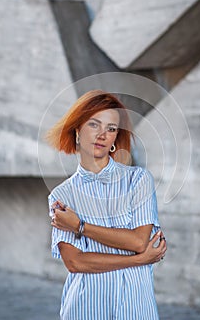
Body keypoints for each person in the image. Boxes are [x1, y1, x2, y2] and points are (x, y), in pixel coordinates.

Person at [47, 90, 167, 320]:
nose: (102, 134)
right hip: (85, 308)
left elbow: (138, 241)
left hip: (135, 308)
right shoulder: (62, 195)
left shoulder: (138, 180)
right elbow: (75, 262)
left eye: (111, 129)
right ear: (77, 131)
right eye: (94, 124)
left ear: (115, 139)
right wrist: (137, 260)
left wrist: (80, 226)